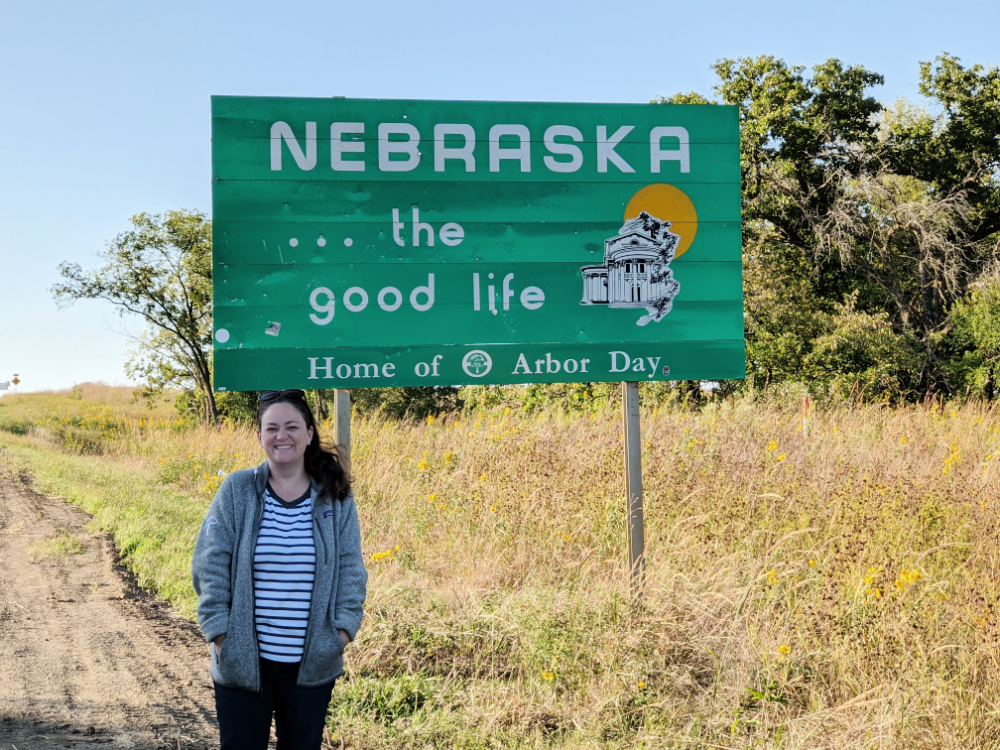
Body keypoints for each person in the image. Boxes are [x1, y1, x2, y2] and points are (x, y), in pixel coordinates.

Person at [192, 389, 367, 750]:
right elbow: (209, 562)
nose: (281, 436)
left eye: (291, 426)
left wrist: (340, 634)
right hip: (242, 665)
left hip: (311, 667)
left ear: (308, 433)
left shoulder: (336, 497)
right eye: (271, 428)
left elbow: (352, 568)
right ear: (259, 436)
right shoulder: (237, 490)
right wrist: (221, 634)